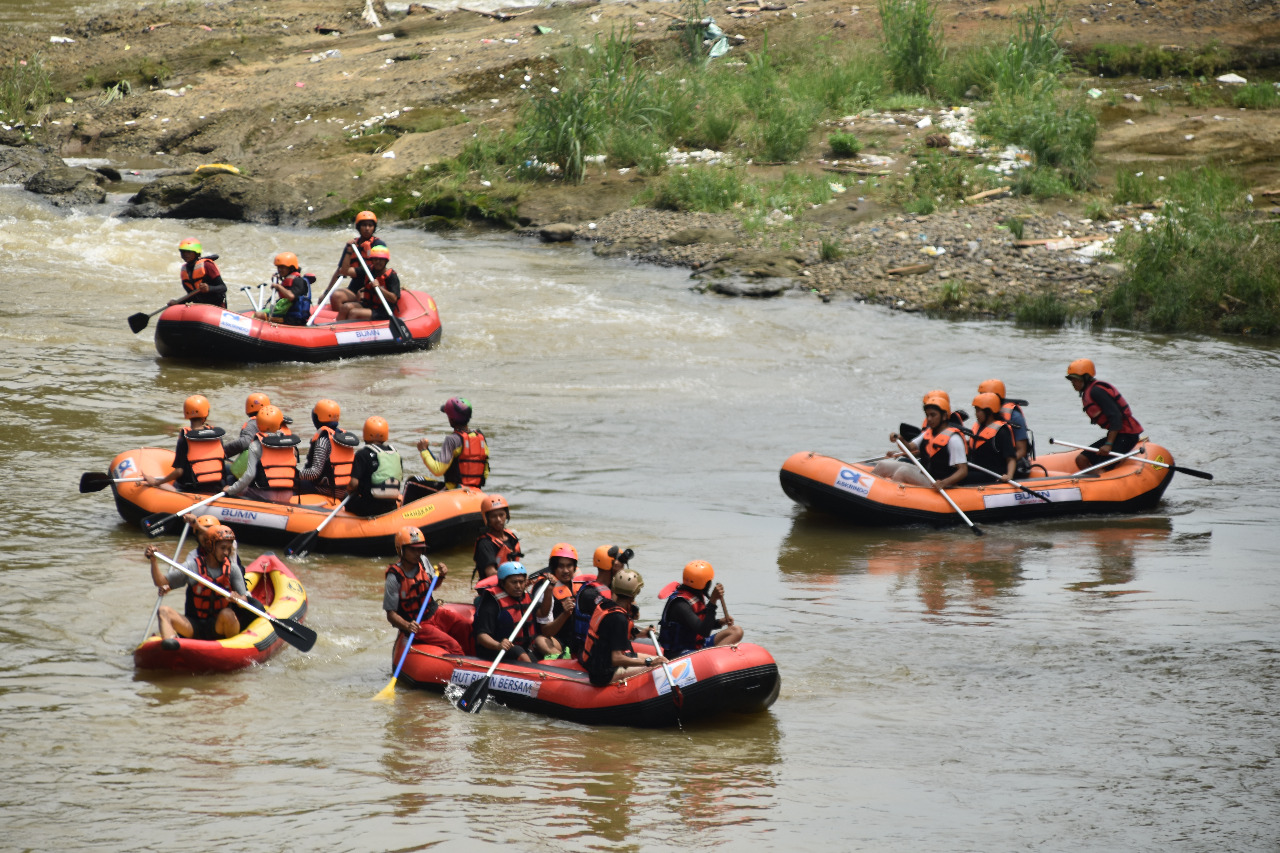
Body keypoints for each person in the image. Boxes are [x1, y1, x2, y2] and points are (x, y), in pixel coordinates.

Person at [144, 524, 256, 649]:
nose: (226, 552)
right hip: (194, 626)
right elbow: (161, 582)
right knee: (163, 611)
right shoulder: (193, 567)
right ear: (210, 546)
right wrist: (154, 562)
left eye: (229, 549)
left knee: (228, 613)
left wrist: (239, 599)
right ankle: (172, 649)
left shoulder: (233, 569)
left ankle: (232, 650)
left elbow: (245, 600)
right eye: (222, 548)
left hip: (219, 627)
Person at [144, 395, 249, 494]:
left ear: (186, 413)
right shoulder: (216, 435)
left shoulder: (184, 438)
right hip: (217, 487)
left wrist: (157, 482)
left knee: (170, 484)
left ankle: (156, 484)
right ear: (206, 413)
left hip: (193, 489)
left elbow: (179, 472)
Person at [580, 568, 667, 687]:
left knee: (659, 658)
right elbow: (616, 658)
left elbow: (616, 636)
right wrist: (648, 662)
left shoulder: (605, 605)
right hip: (604, 674)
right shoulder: (619, 618)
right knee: (657, 665)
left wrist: (642, 634)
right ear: (633, 595)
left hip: (598, 663)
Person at [383, 526, 463, 655]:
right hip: (417, 623)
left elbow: (432, 586)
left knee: (463, 625)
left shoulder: (424, 561)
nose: (418, 553)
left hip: (432, 612)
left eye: (420, 549)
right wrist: (407, 625)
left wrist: (441, 576)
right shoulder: (394, 577)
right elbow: (390, 614)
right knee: (452, 645)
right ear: (401, 550)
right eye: (413, 550)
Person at [873, 391, 969, 489]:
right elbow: (910, 447)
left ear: (944, 416)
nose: (929, 419)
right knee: (882, 465)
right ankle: (868, 492)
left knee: (903, 472)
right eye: (927, 415)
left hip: (937, 482)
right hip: (925, 473)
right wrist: (900, 439)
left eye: (933, 415)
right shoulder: (928, 433)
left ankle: (891, 497)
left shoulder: (954, 439)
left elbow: (963, 470)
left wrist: (944, 482)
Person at [472, 561, 557, 663]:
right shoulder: (492, 602)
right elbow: (482, 636)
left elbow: (543, 613)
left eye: (521, 582)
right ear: (503, 583)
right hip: (496, 650)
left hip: (523, 648)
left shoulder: (526, 596)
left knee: (537, 648)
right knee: (517, 650)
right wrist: (498, 645)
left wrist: (549, 591)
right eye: (514, 582)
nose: (518, 586)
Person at [1066, 358, 1144, 468]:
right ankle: (1092, 482)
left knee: (1101, 466)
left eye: (1076, 379)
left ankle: (1101, 477)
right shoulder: (1089, 392)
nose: (1073, 383)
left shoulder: (1096, 391)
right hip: (1118, 435)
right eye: (1071, 380)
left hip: (1127, 436)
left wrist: (1108, 444)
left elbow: (1116, 417)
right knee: (1081, 459)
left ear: (1086, 378)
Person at [657, 560, 743, 658]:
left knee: (736, 631)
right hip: (679, 654)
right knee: (734, 633)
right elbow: (704, 631)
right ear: (705, 583)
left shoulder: (694, 596)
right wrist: (713, 601)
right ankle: (712, 660)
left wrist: (719, 622)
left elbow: (700, 624)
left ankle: (712, 657)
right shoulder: (680, 604)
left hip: (696, 646)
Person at [224, 404, 301, 504]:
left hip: (266, 496)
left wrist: (230, 490)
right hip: (288, 495)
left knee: (232, 481)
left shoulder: (256, 445)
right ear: (279, 424)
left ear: (258, 424)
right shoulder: (291, 445)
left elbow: (249, 475)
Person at [416, 397, 489, 490]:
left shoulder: (452, 440)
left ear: (451, 418)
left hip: (454, 492)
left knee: (412, 482)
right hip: (476, 491)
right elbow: (485, 473)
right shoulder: (481, 438)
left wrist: (423, 450)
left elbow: (437, 470)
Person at [572, 544, 630, 657]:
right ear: (609, 564)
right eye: (620, 562)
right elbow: (612, 617)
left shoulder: (613, 591)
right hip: (589, 651)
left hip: (607, 647)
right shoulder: (589, 594)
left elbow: (630, 616)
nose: (623, 566)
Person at [298, 399, 359, 498]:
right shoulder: (344, 437)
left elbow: (314, 473)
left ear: (318, 418)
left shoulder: (323, 441)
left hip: (326, 490)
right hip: (344, 491)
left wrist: (297, 474)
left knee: (293, 482)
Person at [327, 210, 387, 307]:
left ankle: (359, 315)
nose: (367, 228)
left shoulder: (379, 245)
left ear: (374, 228)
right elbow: (340, 270)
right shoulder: (352, 245)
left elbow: (380, 267)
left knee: (362, 296)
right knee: (335, 296)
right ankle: (341, 320)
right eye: (364, 225)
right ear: (358, 227)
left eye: (370, 225)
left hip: (372, 284)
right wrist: (327, 291)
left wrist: (352, 271)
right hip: (355, 285)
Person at [345, 416, 403, 517]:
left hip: (369, 507)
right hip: (391, 505)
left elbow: (353, 484)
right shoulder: (396, 454)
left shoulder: (362, 454)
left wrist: (349, 491)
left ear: (366, 433)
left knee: (346, 498)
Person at [533, 543, 580, 660]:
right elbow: (545, 631)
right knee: (541, 641)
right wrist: (565, 614)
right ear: (554, 568)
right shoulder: (544, 587)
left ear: (574, 567)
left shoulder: (580, 584)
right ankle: (564, 660)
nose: (565, 570)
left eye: (569, 566)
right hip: (554, 639)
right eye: (561, 566)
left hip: (576, 639)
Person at [978, 378, 1033, 475]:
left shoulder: (1015, 417)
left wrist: (1004, 463)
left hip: (1010, 462)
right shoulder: (984, 415)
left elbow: (1022, 450)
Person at [964, 393, 1018, 485]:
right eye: (976, 411)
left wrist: (1009, 475)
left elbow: (1011, 459)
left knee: (965, 477)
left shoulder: (1002, 432)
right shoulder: (978, 427)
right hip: (978, 469)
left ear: (989, 412)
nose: (976, 414)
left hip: (993, 474)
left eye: (978, 411)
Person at [336, 245, 400, 321]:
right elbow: (344, 271)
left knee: (354, 313)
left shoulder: (392, 276)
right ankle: (336, 330)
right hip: (369, 305)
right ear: (372, 260)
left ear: (386, 261)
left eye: (381, 260)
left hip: (383, 310)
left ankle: (348, 330)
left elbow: (393, 299)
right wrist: (349, 252)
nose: (378, 262)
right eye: (375, 259)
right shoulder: (368, 269)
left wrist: (379, 288)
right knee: (345, 307)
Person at [472, 494, 521, 582]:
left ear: (506, 515)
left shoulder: (511, 537)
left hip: (512, 585)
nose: (499, 519)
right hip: (493, 588)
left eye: (501, 515)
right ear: (487, 519)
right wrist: (515, 579)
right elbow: (491, 573)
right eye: (494, 516)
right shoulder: (485, 544)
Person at [254, 252, 312, 325]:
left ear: (291, 268)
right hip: (287, 315)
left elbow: (291, 296)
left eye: (282, 267)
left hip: (293, 319)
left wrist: (278, 286)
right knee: (260, 312)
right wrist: (277, 283)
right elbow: (284, 297)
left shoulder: (299, 281)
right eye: (278, 267)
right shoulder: (288, 280)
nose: (279, 270)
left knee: (258, 315)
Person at [171, 238, 227, 308]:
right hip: (200, 307)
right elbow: (191, 295)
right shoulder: (185, 270)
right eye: (183, 252)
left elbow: (223, 287)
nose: (185, 254)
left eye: (188, 252)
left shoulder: (207, 265)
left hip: (217, 306)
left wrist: (209, 288)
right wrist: (177, 302)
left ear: (196, 253)